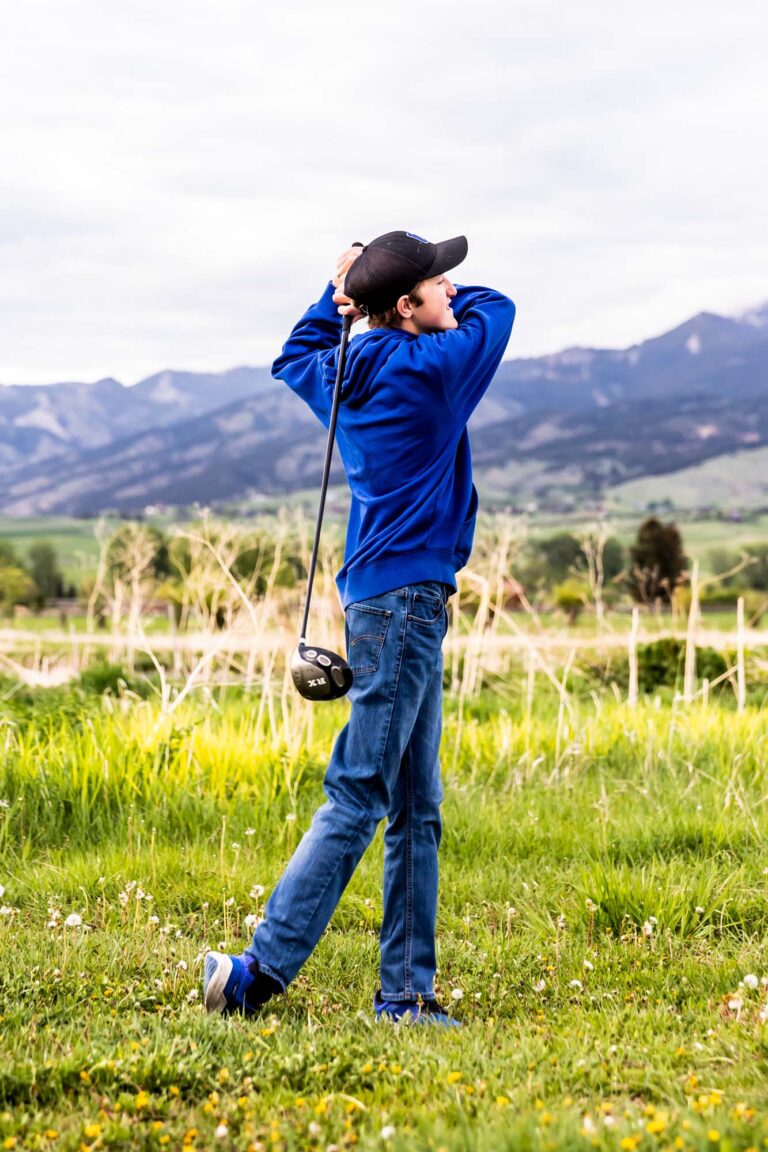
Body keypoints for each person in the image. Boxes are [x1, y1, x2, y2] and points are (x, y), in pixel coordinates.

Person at [203, 231, 515, 1023]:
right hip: (407, 605)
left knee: (419, 803)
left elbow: (292, 352)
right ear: (407, 307)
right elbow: (498, 309)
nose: (455, 289)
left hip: (385, 599)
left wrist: (339, 292)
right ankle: (255, 973)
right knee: (361, 793)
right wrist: (371, 292)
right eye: (438, 283)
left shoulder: (343, 372)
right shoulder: (433, 373)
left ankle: (406, 995)